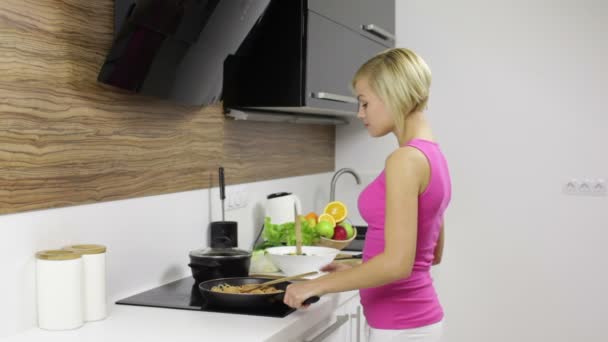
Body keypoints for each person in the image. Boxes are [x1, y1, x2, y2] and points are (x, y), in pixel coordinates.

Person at [283, 48, 451, 342]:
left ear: (393, 95)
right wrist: (358, 268)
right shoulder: (432, 156)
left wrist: (317, 286)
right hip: (412, 325)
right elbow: (429, 254)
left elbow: (399, 264)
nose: (360, 113)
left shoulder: (405, 160)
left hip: (401, 328)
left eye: (364, 103)